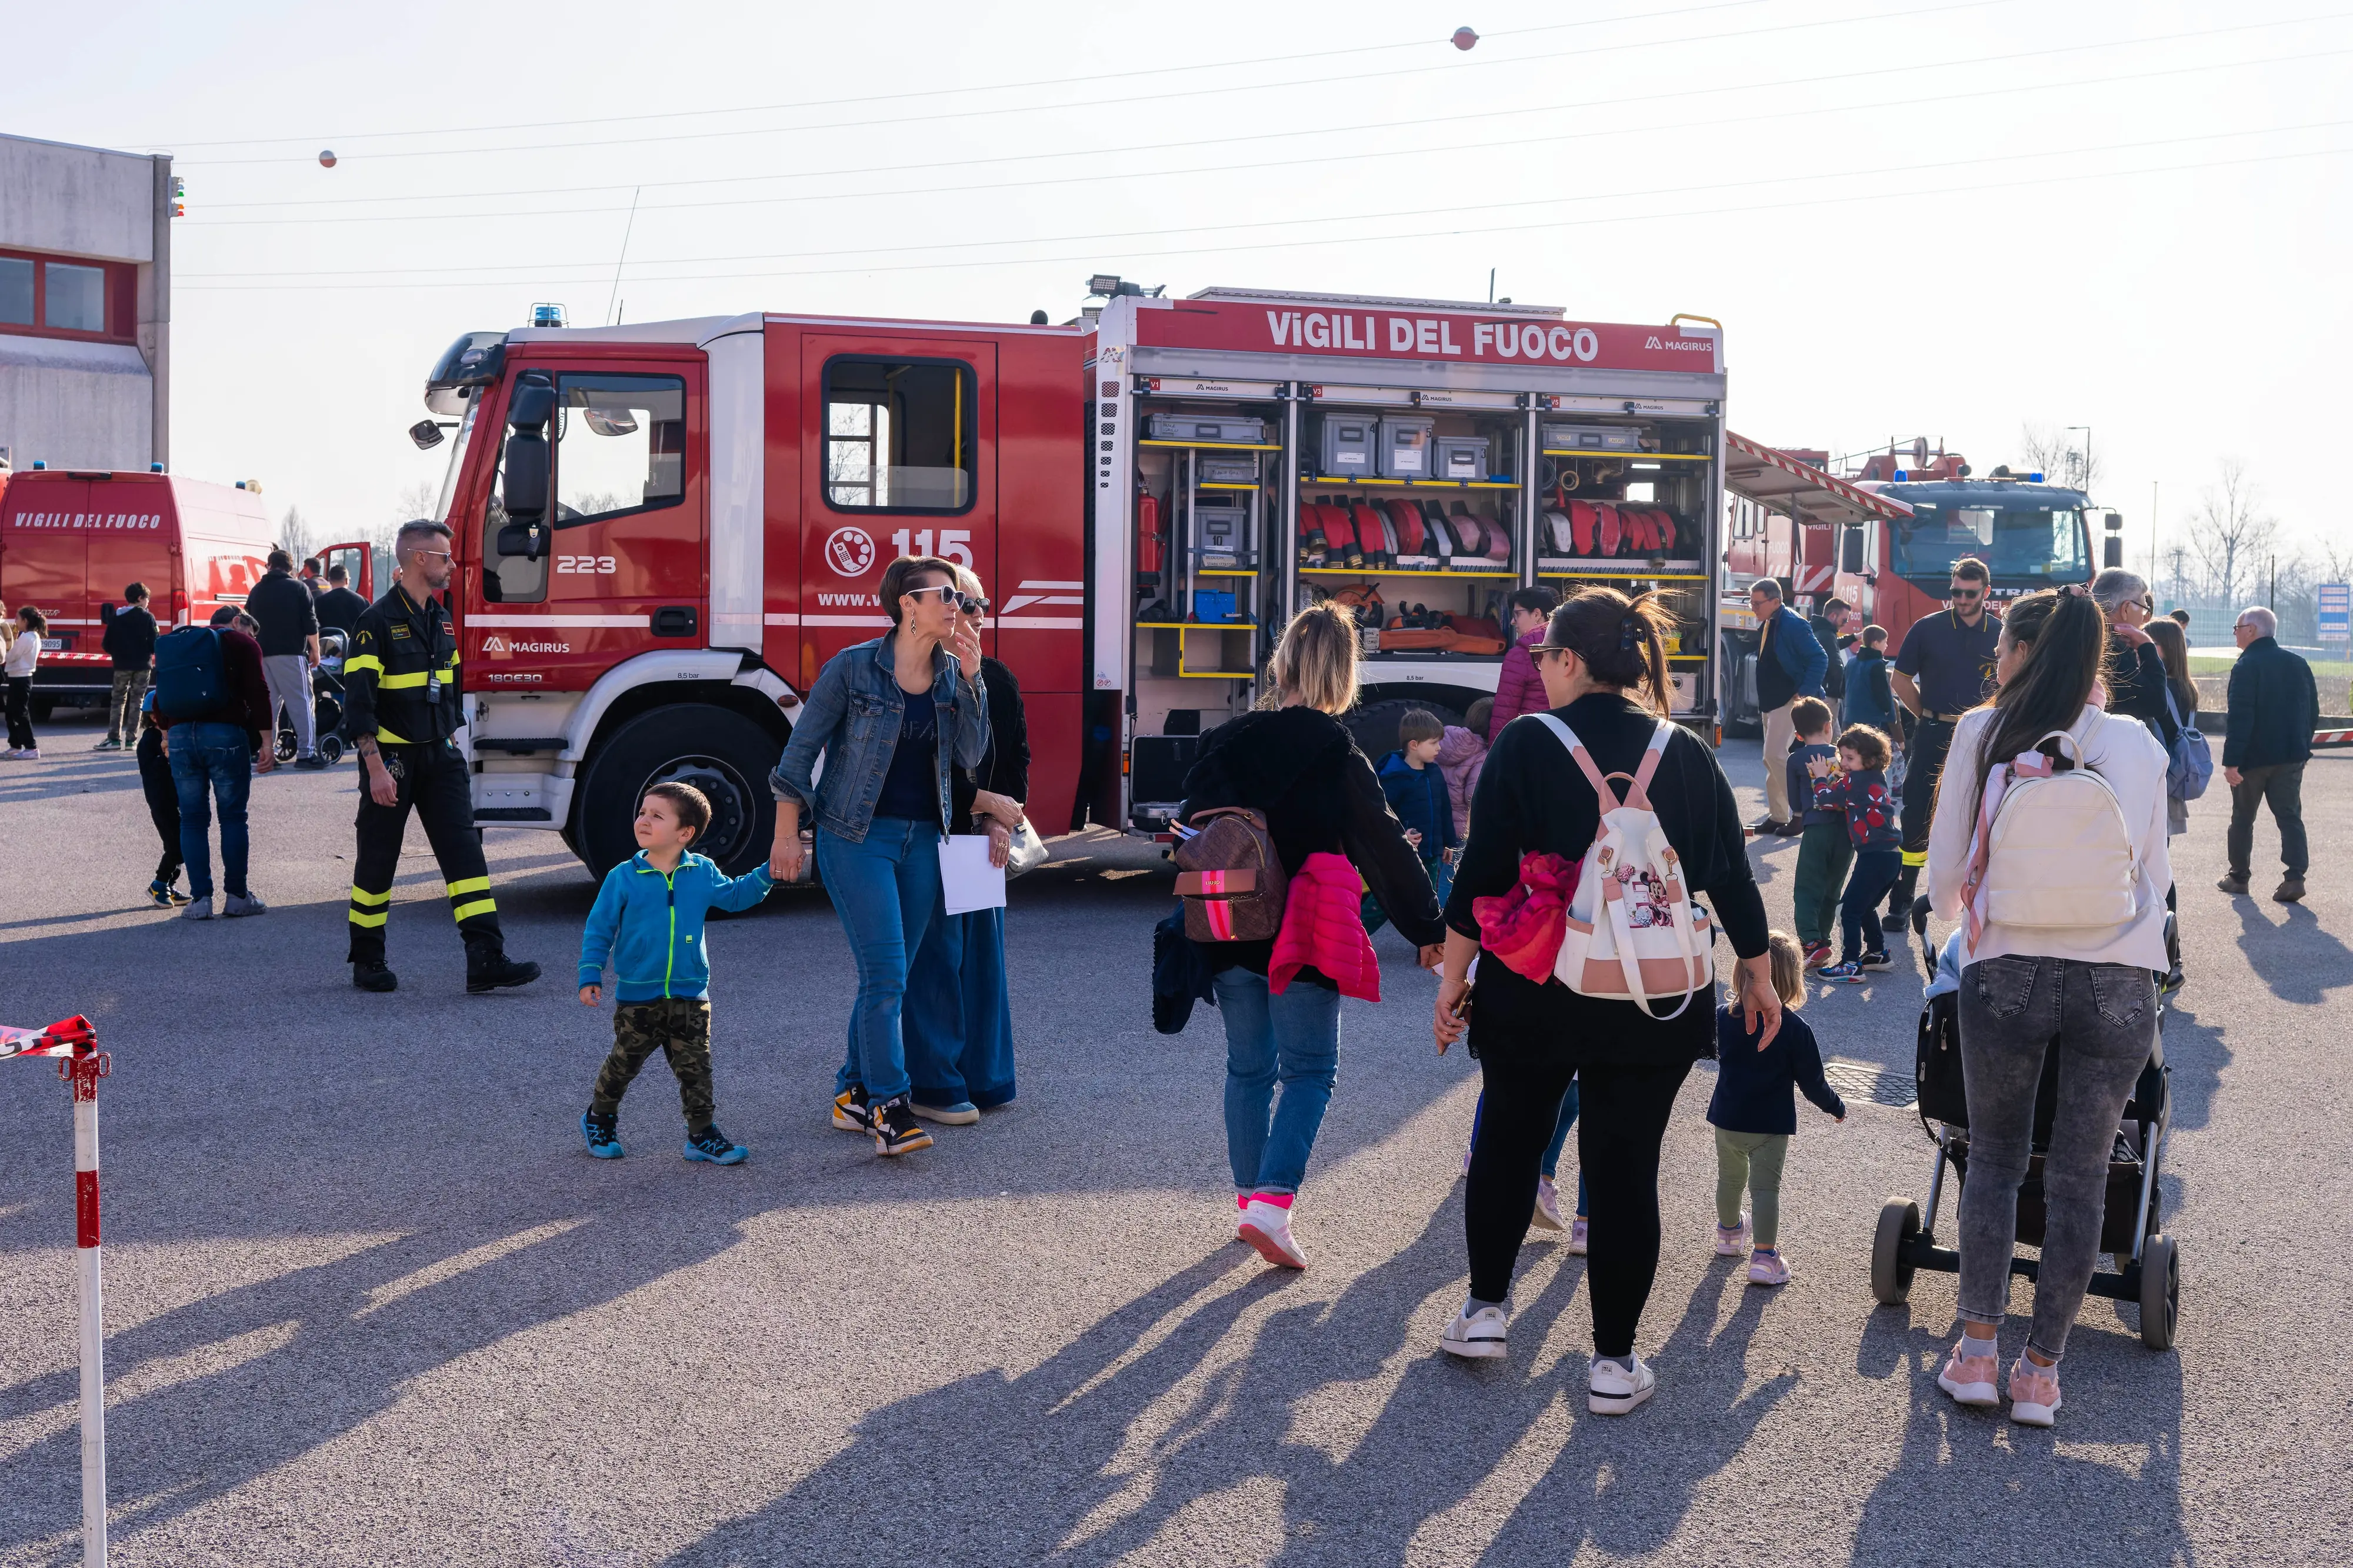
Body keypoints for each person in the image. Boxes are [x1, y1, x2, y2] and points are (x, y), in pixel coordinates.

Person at [1434, 586, 1778, 1416]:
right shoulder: (1685, 750)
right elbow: (1730, 873)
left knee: (1512, 1139)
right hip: (1654, 994)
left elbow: (1479, 873)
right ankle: (1615, 1365)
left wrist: (1454, 980)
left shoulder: (1523, 743)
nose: (1540, 666)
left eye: (1547, 654)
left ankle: (1485, 1311)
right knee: (1627, 1168)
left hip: (1533, 982)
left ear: (1573, 661)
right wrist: (1758, 972)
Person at [1925, 584, 2169, 1427]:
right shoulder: (2136, 742)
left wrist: (1949, 926)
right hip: (2115, 979)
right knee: (2081, 1176)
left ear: (2026, 652)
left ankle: (1978, 1351)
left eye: (2001, 647)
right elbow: (2155, 874)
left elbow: (1947, 872)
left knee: (1994, 1158)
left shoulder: (1981, 730)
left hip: (2010, 966)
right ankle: (2041, 1373)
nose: (1995, 660)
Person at [1178, 602, 1445, 1269]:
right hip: (1300, 927)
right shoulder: (1333, 747)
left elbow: (1190, 832)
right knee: (1309, 1070)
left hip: (1228, 924)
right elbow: (1380, 841)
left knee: (1247, 1068)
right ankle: (1271, 1204)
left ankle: (1249, 1205)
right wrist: (1427, 926)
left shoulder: (1226, 739)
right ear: (1344, 670)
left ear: (1283, 662)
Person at [769, 555, 989, 1157]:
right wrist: (787, 833)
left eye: (962, 598)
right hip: (854, 837)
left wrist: (973, 681)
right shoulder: (853, 669)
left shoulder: (952, 674)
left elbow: (970, 755)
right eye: (945, 595)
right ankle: (888, 1106)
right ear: (906, 605)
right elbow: (799, 751)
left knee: (886, 975)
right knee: (888, 975)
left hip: (924, 838)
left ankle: (849, 1091)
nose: (958, 606)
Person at [344, 520, 541, 995]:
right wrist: (375, 769)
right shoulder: (374, 622)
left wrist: (450, 739)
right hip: (391, 760)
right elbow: (359, 705)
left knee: (465, 855)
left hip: (440, 758)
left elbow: (450, 685)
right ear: (418, 559)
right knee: (378, 861)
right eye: (445, 557)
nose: (453, 565)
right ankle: (368, 960)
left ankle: (486, 959)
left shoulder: (442, 618)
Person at [577, 781, 773, 1166]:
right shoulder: (624, 876)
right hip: (638, 995)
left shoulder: (701, 872)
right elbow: (599, 927)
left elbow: (735, 897)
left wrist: (768, 874)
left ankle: (701, 1134)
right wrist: (590, 973)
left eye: (657, 815)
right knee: (624, 1063)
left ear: (685, 833)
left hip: (690, 992)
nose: (644, 820)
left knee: (696, 1068)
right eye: (643, 812)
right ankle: (599, 1117)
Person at [904, 566, 1027, 1123]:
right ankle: (933, 1081)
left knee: (979, 961)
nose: (973, 616)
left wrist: (1002, 822)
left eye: (979, 606)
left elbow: (1016, 761)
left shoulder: (996, 678)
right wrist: (990, 807)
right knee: (933, 961)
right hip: (927, 834)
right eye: (963, 604)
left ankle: (985, 1080)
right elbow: (927, 776)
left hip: (978, 841)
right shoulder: (914, 677)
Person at [1710, 932, 1845, 1286]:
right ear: (1792, 980)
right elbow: (1813, 1082)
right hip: (1769, 1125)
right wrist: (1835, 1105)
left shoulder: (1722, 1017)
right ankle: (1765, 1256)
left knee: (1730, 1179)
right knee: (1765, 1189)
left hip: (1726, 1119)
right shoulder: (1795, 1029)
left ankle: (1728, 1234)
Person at [1886, 556, 2001, 933]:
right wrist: (1927, 717)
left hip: (1985, 736)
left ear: (1986, 592)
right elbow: (1900, 682)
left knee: (1983, 813)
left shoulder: (2002, 634)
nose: (1961, 599)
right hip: (1936, 732)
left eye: (1969, 594)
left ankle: (1981, 903)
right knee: (1917, 812)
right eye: (1955, 592)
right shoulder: (1927, 629)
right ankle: (1902, 901)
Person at [154, 608, 274, 918]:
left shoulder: (181, 643)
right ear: (237, 621)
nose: (252, 638)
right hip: (225, 734)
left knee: (192, 819)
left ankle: (200, 901)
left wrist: (168, 734)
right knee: (233, 817)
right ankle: (236, 897)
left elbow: (159, 697)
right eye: (251, 631)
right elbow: (259, 692)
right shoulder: (242, 644)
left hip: (181, 737)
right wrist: (267, 741)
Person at [2219, 605, 2319, 903]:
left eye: (2238, 628)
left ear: (2252, 630)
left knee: (2243, 818)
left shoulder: (2247, 665)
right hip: (2291, 756)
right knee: (2290, 817)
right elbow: (2312, 711)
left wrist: (2231, 761)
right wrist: (2302, 746)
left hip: (2253, 759)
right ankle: (2295, 877)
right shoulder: (2298, 663)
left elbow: (2240, 716)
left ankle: (2239, 877)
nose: (2235, 634)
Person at [1810, 724, 1902, 981]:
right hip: (1892, 856)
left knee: (1848, 910)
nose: (1844, 763)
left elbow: (1826, 799)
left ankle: (1850, 964)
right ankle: (1877, 953)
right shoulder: (1876, 777)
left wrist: (1820, 776)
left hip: (1874, 857)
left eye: (1850, 758)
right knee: (1867, 906)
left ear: (1870, 760)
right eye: (1842, 758)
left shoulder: (1854, 781)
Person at [1747, 579, 1826, 835]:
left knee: (1775, 755)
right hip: (1772, 701)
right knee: (1771, 759)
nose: (1753, 608)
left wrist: (1803, 694)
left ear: (1776, 602)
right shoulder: (1772, 621)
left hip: (1788, 702)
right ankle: (1779, 816)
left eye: (1757, 603)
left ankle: (1801, 813)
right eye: (1752, 602)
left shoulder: (1793, 624)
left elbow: (1819, 658)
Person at [1367, 708, 1458, 929]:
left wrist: (1447, 843)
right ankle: (1355, 934)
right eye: (1434, 743)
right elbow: (1382, 814)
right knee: (1384, 900)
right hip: (1402, 852)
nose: (1439, 748)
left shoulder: (1435, 773)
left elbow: (1444, 809)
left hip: (1430, 853)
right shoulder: (1394, 776)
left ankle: (1429, 946)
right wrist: (1401, 835)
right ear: (1414, 745)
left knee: (1428, 901)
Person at [246, 548, 326, 770]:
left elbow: (248, 623)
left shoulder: (257, 590)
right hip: (291, 654)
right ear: (290, 568)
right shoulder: (299, 588)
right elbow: (310, 622)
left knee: (268, 707)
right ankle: (306, 754)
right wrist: (316, 650)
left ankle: (266, 753)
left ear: (269, 566)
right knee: (302, 703)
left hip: (262, 656)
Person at [1785, 698, 1849, 969]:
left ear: (1798, 734)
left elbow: (1795, 803)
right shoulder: (1843, 755)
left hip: (1816, 829)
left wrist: (1799, 815)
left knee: (1808, 885)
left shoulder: (1796, 758)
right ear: (1828, 725)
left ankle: (1811, 942)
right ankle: (1823, 937)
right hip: (1846, 831)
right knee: (1832, 886)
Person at [2090, 569, 2181, 755]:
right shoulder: (2113, 648)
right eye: (2143, 608)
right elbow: (2156, 704)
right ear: (2126, 609)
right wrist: (2147, 647)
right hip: (2113, 757)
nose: (2144, 618)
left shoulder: (2085, 636)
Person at [134, 693, 191, 906]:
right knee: (175, 846)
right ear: (154, 717)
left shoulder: (172, 736)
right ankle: (159, 884)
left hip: (174, 800)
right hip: (161, 802)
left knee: (182, 845)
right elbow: (152, 771)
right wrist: (168, 756)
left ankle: (168, 885)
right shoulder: (149, 741)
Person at [2145, 616, 2199, 840]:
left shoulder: (2160, 688)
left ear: (2166, 648)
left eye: (2149, 643)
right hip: (2176, 770)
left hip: (2157, 768)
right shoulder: (2187, 687)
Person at [97, 583, 159, 750]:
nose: (148, 603)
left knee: (118, 700)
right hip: (142, 666)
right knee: (137, 701)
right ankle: (132, 740)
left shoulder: (116, 617)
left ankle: (114, 739)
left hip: (121, 666)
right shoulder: (148, 618)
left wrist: (118, 654)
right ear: (140, 598)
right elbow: (155, 643)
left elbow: (106, 644)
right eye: (147, 599)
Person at [1842, 624, 1901, 736]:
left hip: (1849, 717)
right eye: (1885, 642)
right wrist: (1888, 709)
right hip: (1871, 720)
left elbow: (1843, 689)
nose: (1887, 645)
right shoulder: (1877, 665)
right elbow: (1881, 692)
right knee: (1868, 750)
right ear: (1876, 643)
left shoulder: (1851, 662)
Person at [1434, 719, 1487, 844]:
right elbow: (1473, 796)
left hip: (1436, 823)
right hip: (1460, 829)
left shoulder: (1441, 741)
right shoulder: (1482, 754)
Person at [2, 606, 44, 760]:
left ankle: (31, 747)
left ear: (25, 621)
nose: (15, 621)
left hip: (22, 678)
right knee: (11, 713)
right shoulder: (27, 636)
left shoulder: (28, 638)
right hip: (16, 677)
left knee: (21, 713)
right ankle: (15, 745)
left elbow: (11, 656)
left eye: (18, 618)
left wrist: (7, 647)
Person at [1809, 595, 1851, 703]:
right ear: (1833, 616)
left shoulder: (1817, 629)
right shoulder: (1828, 635)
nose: (1846, 624)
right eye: (1844, 620)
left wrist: (1854, 637)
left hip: (1819, 691)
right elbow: (1836, 667)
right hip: (1828, 695)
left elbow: (1834, 645)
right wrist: (1846, 692)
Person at [315, 563, 369, 639]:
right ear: (347, 580)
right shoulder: (362, 602)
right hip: (353, 646)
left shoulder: (319, 601)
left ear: (330, 581)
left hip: (326, 646)